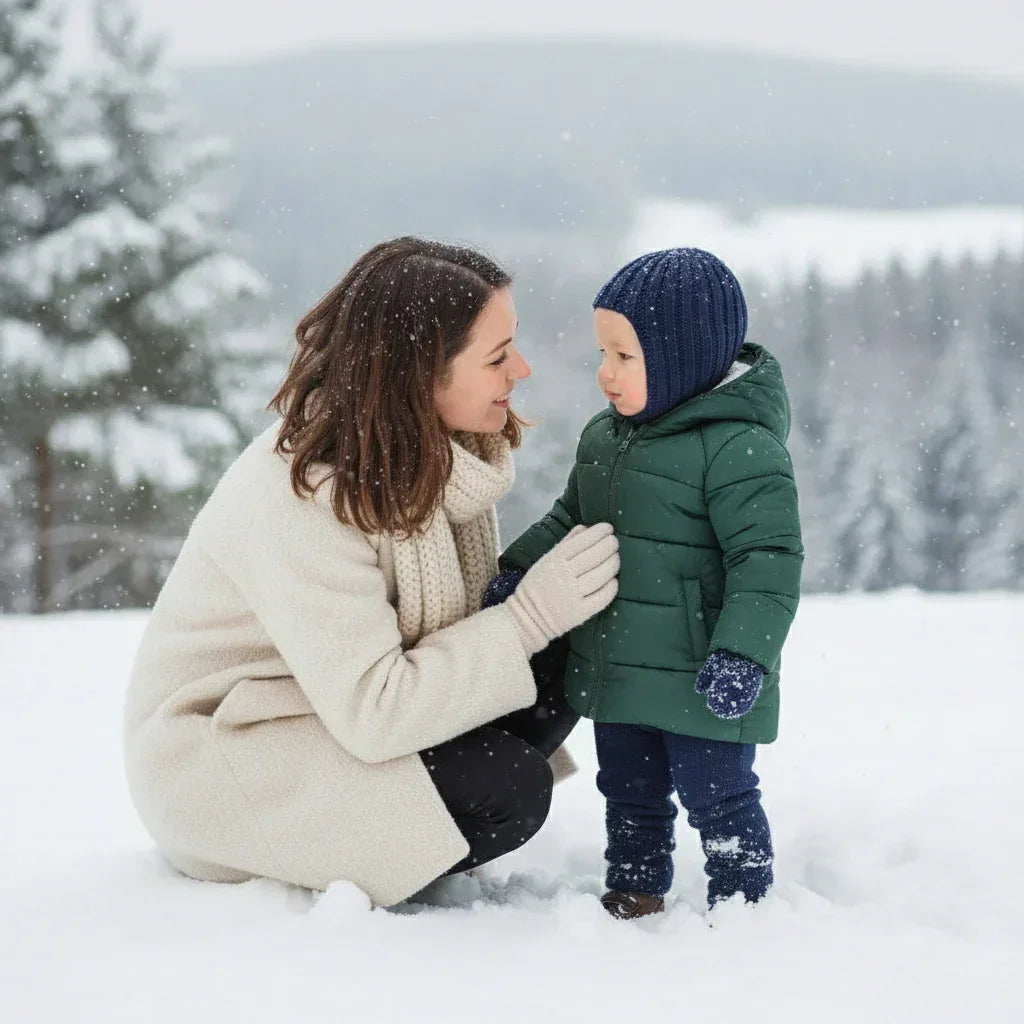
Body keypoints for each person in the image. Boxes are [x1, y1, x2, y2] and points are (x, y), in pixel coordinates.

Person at [123, 237, 620, 908]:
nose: (522, 370)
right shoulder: (302, 495)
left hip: (327, 711)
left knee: (564, 656)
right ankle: (383, 844)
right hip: (224, 757)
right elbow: (375, 710)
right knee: (509, 790)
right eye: (498, 357)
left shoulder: (437, 460)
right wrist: (527, 617)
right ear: (421, 375)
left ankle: (407, 828)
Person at [487, 248, 803, 919]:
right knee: (628, 788)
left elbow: (768, 562)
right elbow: (572, 516)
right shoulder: (608, 436)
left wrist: (743, 653)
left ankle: (744, 901)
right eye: (604, 352)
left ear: (682, 358)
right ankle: (634, 888)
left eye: (624, 357)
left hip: (700, 668)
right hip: (620, 658)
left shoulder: (739, 449)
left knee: (717, 793)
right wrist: (517, 570)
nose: (605, 373)